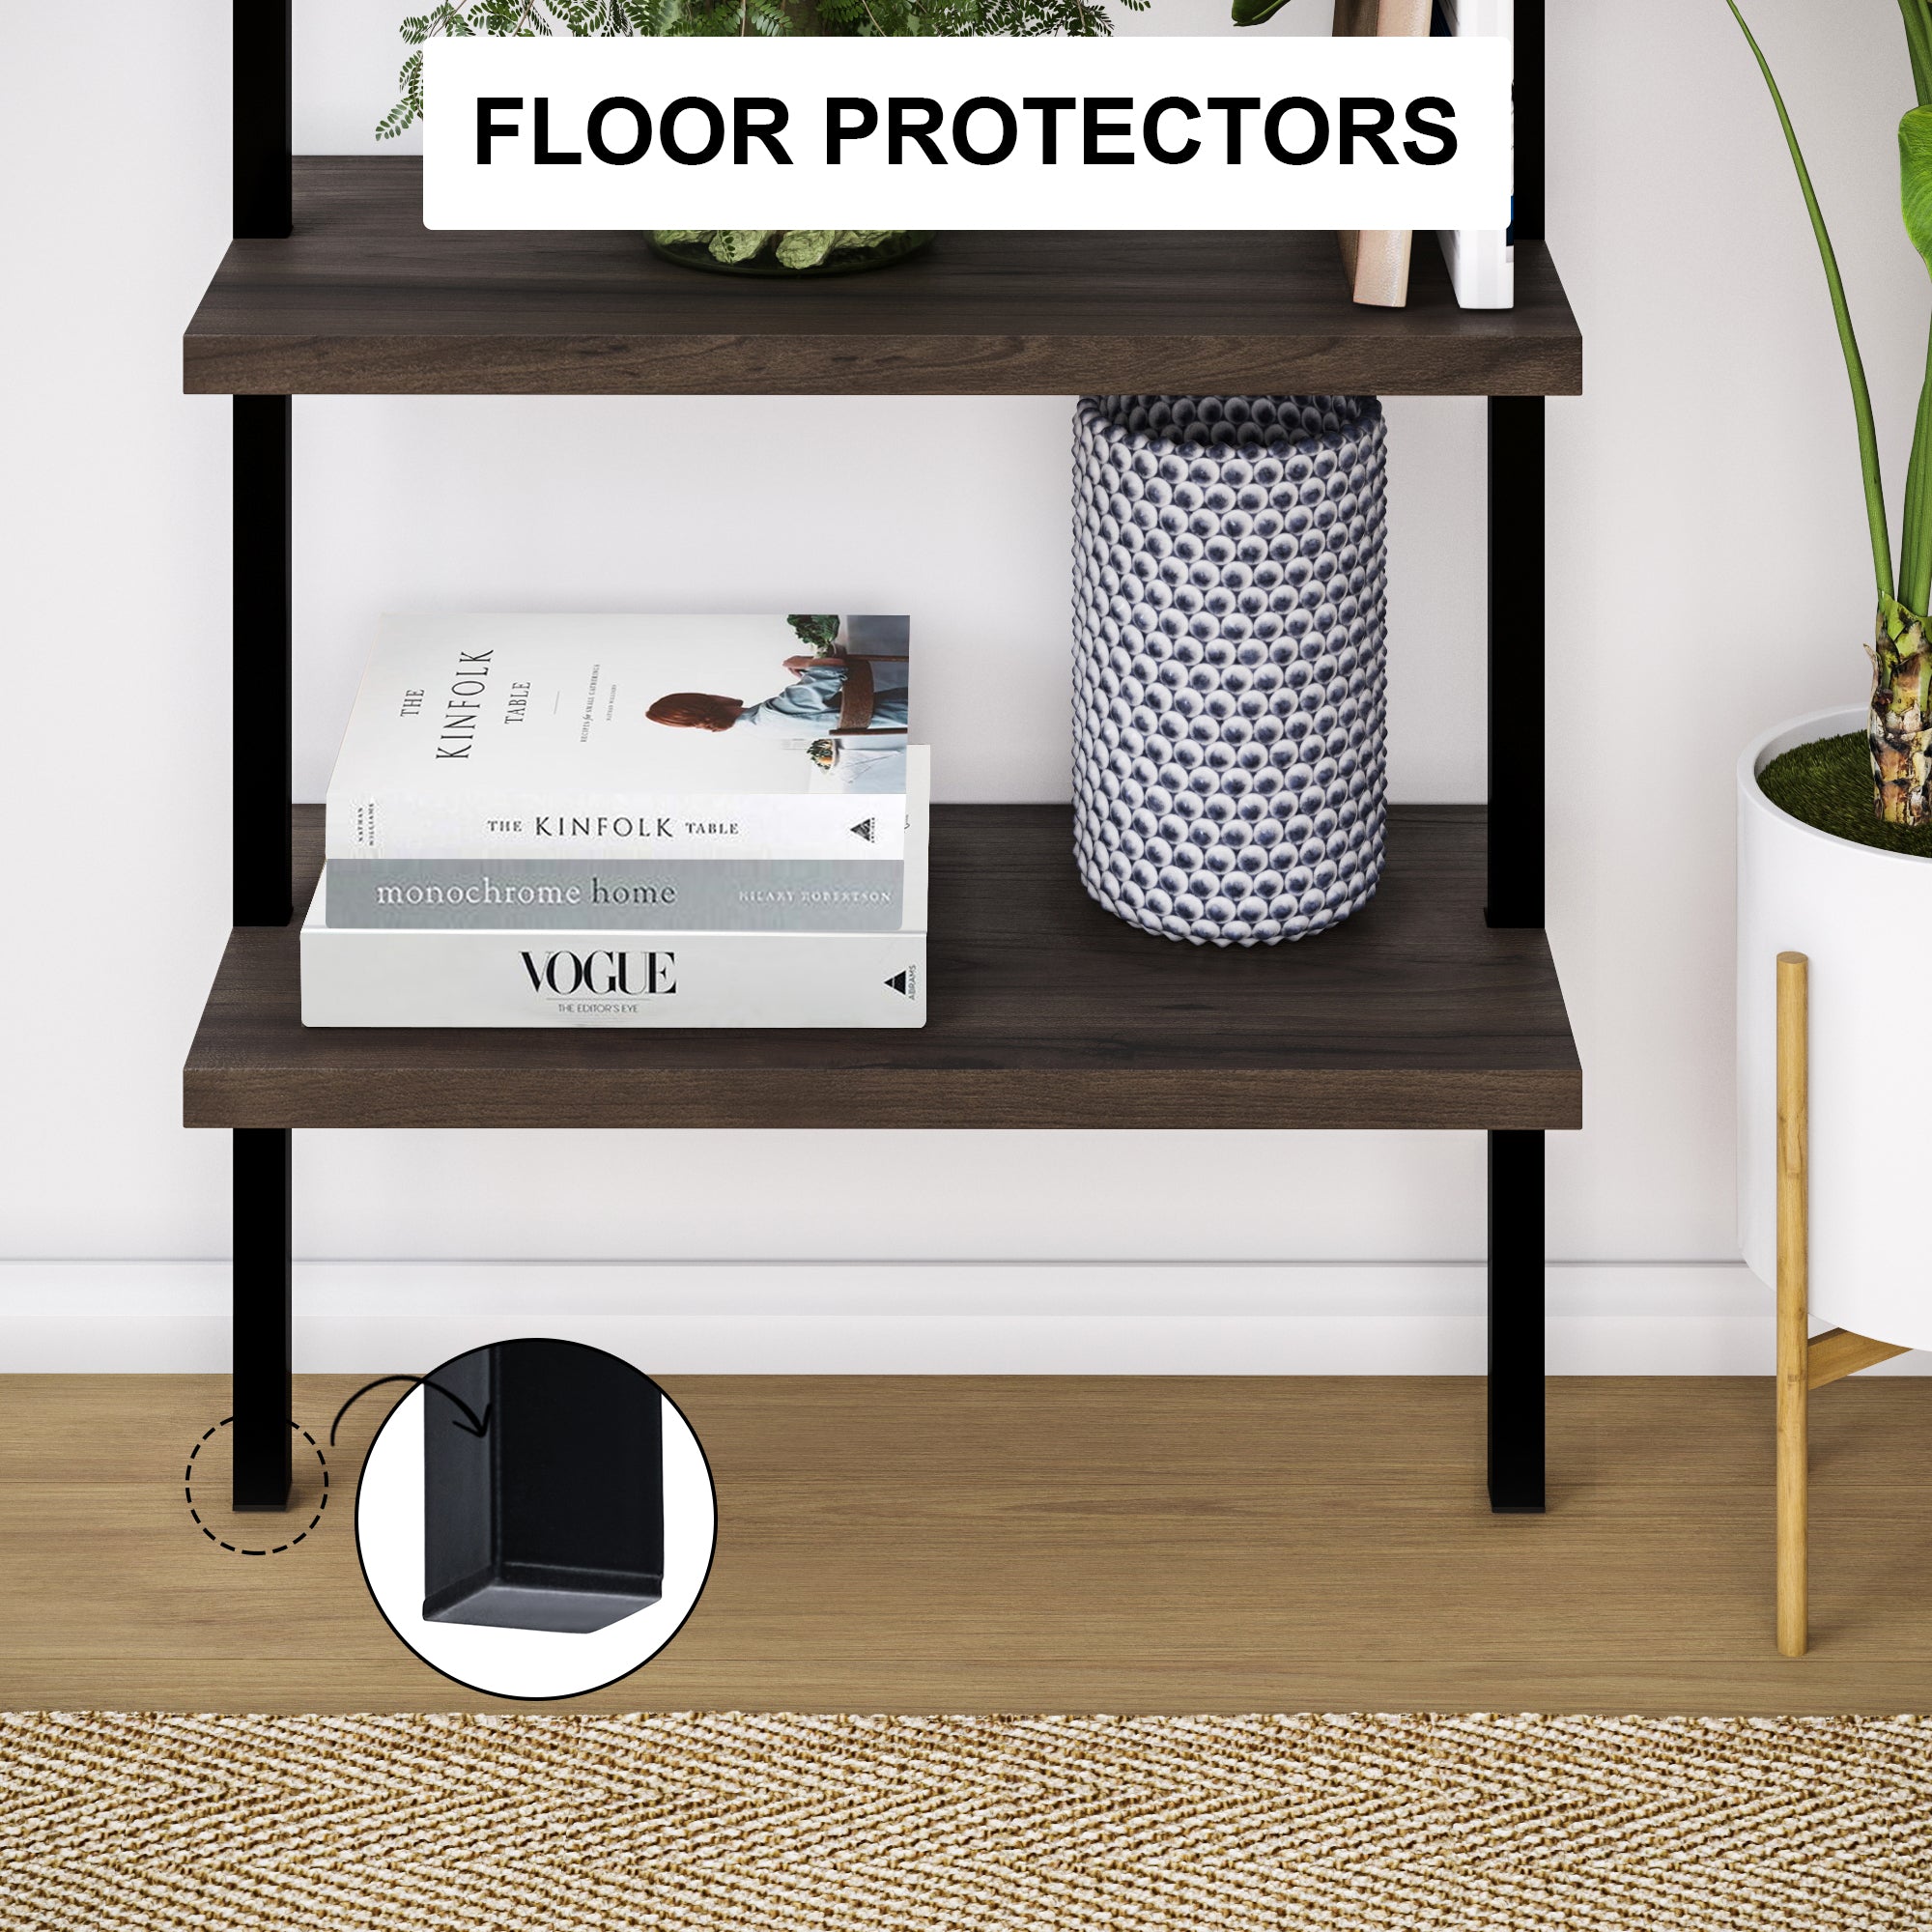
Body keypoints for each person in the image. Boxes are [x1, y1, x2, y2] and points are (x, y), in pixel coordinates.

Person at [646, 654, 908, 738]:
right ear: (710, 700)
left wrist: (809, 679)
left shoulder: (758, 726)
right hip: (907, 708)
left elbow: (817, 711)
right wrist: (802, 661)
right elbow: (834, 665)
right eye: (707, 693)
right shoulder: (770, 714)